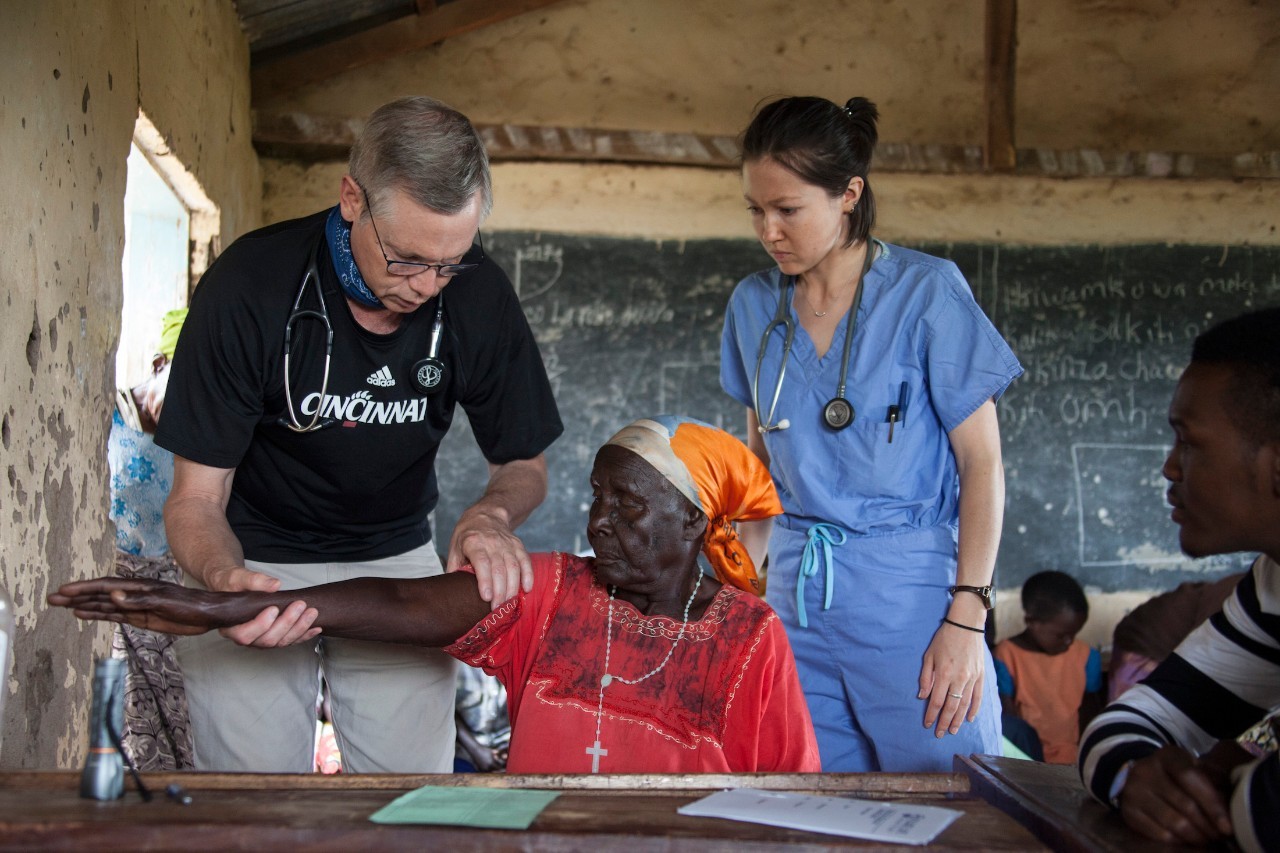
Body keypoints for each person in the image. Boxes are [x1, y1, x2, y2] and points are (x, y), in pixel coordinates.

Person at [154, 96, 563, 773]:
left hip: (395, 559)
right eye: (405, 259)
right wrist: (225, 579)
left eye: (450, 262)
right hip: (255, 554)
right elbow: (194, 500)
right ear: (351, 198)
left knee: (412, 798)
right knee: (255, 804)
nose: (429, 286)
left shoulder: (477, 292)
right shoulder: (249, 287)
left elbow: (523, 458)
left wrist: (490, 515)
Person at [51, 416, 822, 774]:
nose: (599, 523)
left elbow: (788, 798)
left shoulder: (751, 637)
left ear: (693, 520)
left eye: (628, 507)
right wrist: (224, 606)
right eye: (596, 498)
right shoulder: (556, 589)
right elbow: (409, 604)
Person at [719, 95, 1023, 772]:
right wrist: (737, 593)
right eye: (755, 210)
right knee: (820, 803)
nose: (769, 230)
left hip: (911, 599)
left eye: (788, 209)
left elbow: (983, 467)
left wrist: (966, 619)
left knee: (956, 799)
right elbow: (758, 470)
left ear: (849, 194)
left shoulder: (927, 294)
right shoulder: (752, 307)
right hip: (796, 596)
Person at [1077, 308, 1280, 852]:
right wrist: (1136, 777)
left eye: (1189, 441)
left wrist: (1221, 791)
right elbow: (1132, 719)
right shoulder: (1273, 587)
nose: (1170, 467)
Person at [108, 307, 193, 771]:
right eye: (182, 382)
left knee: (173, 741)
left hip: (167, 616)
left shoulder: (199, 449)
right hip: (113, 613)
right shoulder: (103, 424)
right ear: (160, 364)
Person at [993, 571, 1104, 765]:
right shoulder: (1005, 655)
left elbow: (1090, 713)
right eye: (1061, 635)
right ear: (1031, 622)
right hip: (1026, 759)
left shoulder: (1086, 656)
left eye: (1074, 634)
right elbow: (1008, 718)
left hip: (1074, 759)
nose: (1069, 642)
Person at [1107, 571, 1243, 702]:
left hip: (1170, 650)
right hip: (1144, 646)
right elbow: (1207, 658)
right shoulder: (1239, 595)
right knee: (1141, 716)